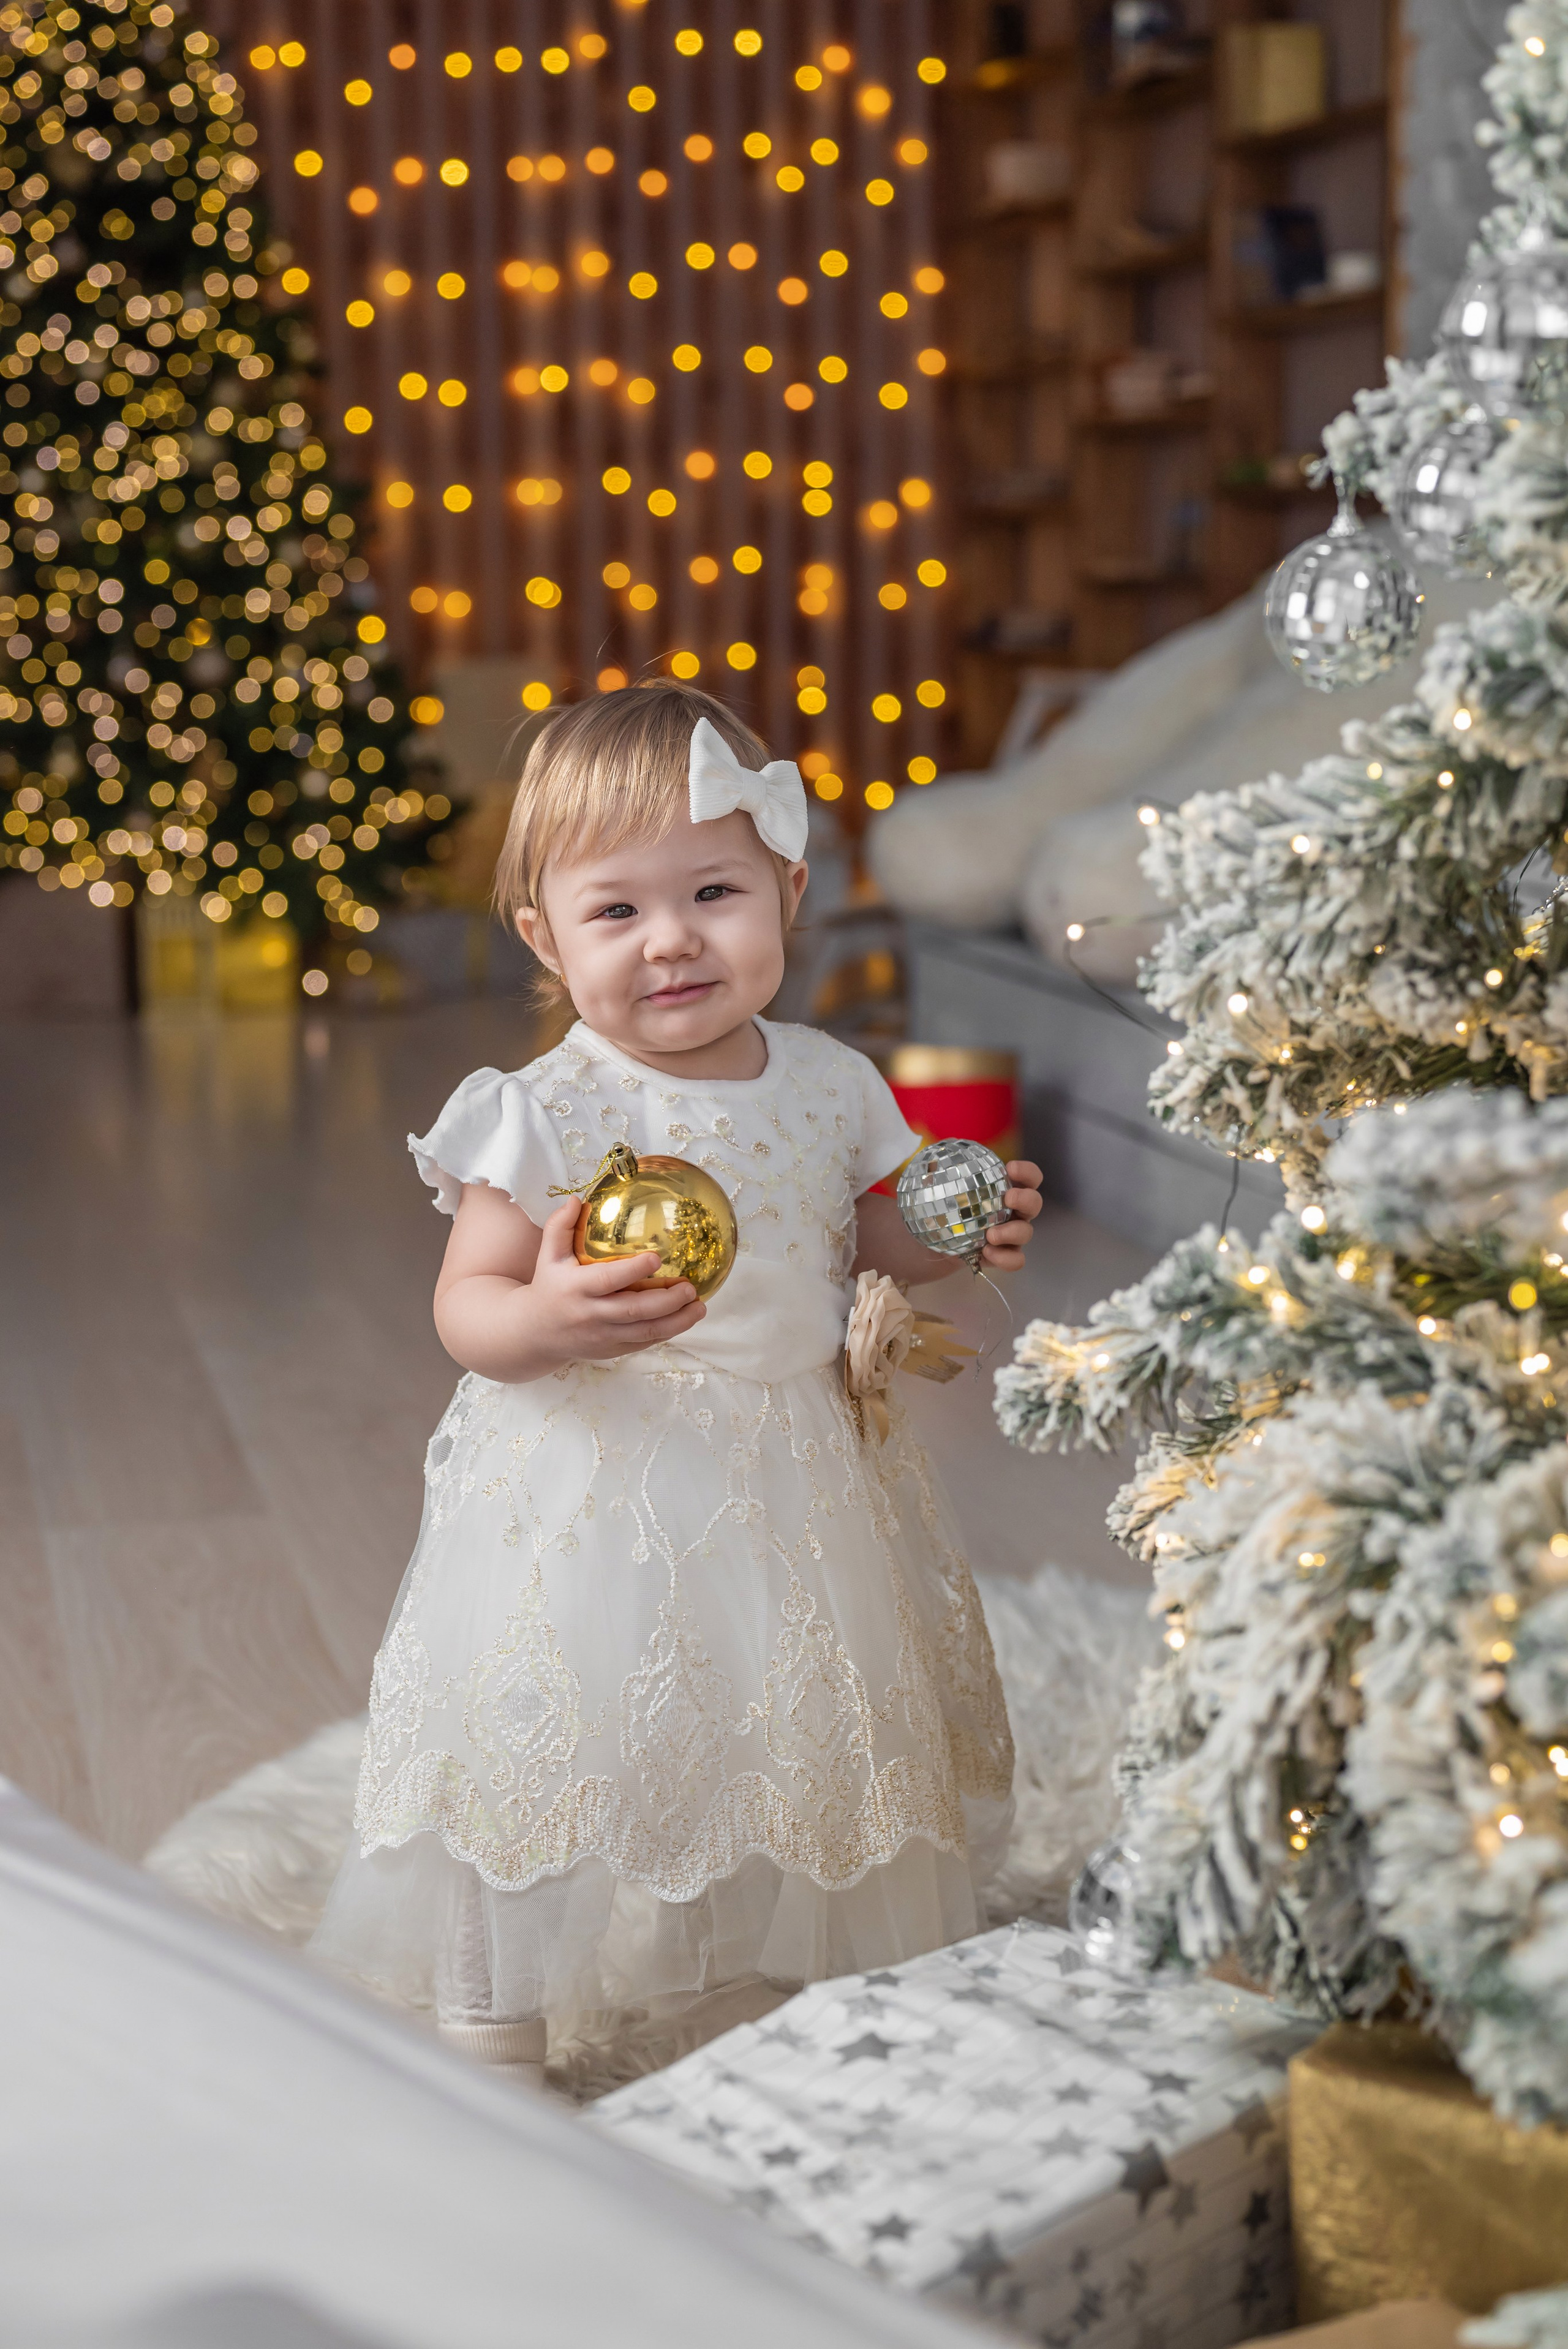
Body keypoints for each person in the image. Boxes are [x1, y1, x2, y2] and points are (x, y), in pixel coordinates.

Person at [311, 682, 1041, 2086]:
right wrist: (548, 1312)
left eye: (713, 890)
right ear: (542, 933)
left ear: (785, 886)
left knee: (776, 1723)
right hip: (595, 1482)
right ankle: (494, 2023)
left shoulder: (829, 1083)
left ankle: (746, 1973)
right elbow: (467, 1305)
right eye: (616, 911)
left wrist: (950, 1231)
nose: (672, 940)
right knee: (542, 1740)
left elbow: (855, 1243)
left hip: (793, 1478)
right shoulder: (550, 1105)